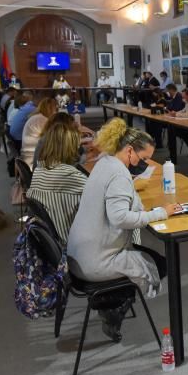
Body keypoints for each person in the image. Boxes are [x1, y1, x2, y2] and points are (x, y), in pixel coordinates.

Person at [67, 118, 178, 341]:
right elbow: (120, 218)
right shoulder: (118, 175)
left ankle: (111, 302)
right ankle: (110, 305)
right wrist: (161, 214)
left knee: (149, 256)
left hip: (78, 256)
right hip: (95, 262)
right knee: (161, 264)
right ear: (129, 151)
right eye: (144, 158)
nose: (146, 163)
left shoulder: (105, 163)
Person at [27, 113, 88, 244]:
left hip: (50, 241)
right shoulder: (72, 176)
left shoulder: (40, 169)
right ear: (70, 147)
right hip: (73, 245)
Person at [20, 97, 58, 169]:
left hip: (29, 155)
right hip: (33, 159)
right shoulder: (41, 119)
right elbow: (53, 139)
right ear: (50, 109)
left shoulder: (38, 117)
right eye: (55, 108)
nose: (56, 111)